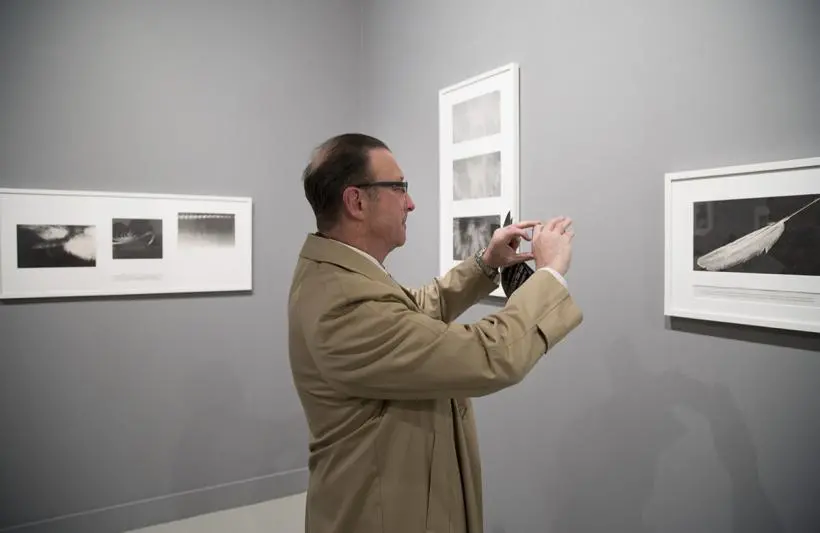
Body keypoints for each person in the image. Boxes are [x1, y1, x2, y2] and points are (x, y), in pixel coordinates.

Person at [288, 133, 583, 533]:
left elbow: (416, 310)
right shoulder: (344, 304)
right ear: (356, 202)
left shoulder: (343, 276)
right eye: (399, 189)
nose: (410, 203)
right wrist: (548, 276)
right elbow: (486, 356)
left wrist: (487, 262)